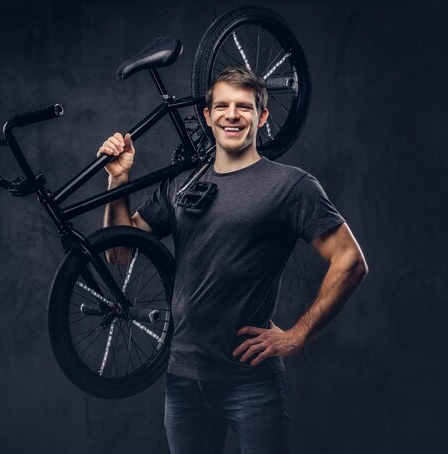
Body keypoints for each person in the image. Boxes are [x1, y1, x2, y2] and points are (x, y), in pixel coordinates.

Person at [97, 67, 368, 454]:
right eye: (222, 105)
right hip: (183, 380)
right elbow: (119, 252)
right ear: (207, 117)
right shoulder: (182, 183)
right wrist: (117, 181)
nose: (232, 115)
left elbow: (350, 261)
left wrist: (297, 334)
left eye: (244, 106)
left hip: (251, 383)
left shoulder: (291, 186)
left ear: (263, 116)